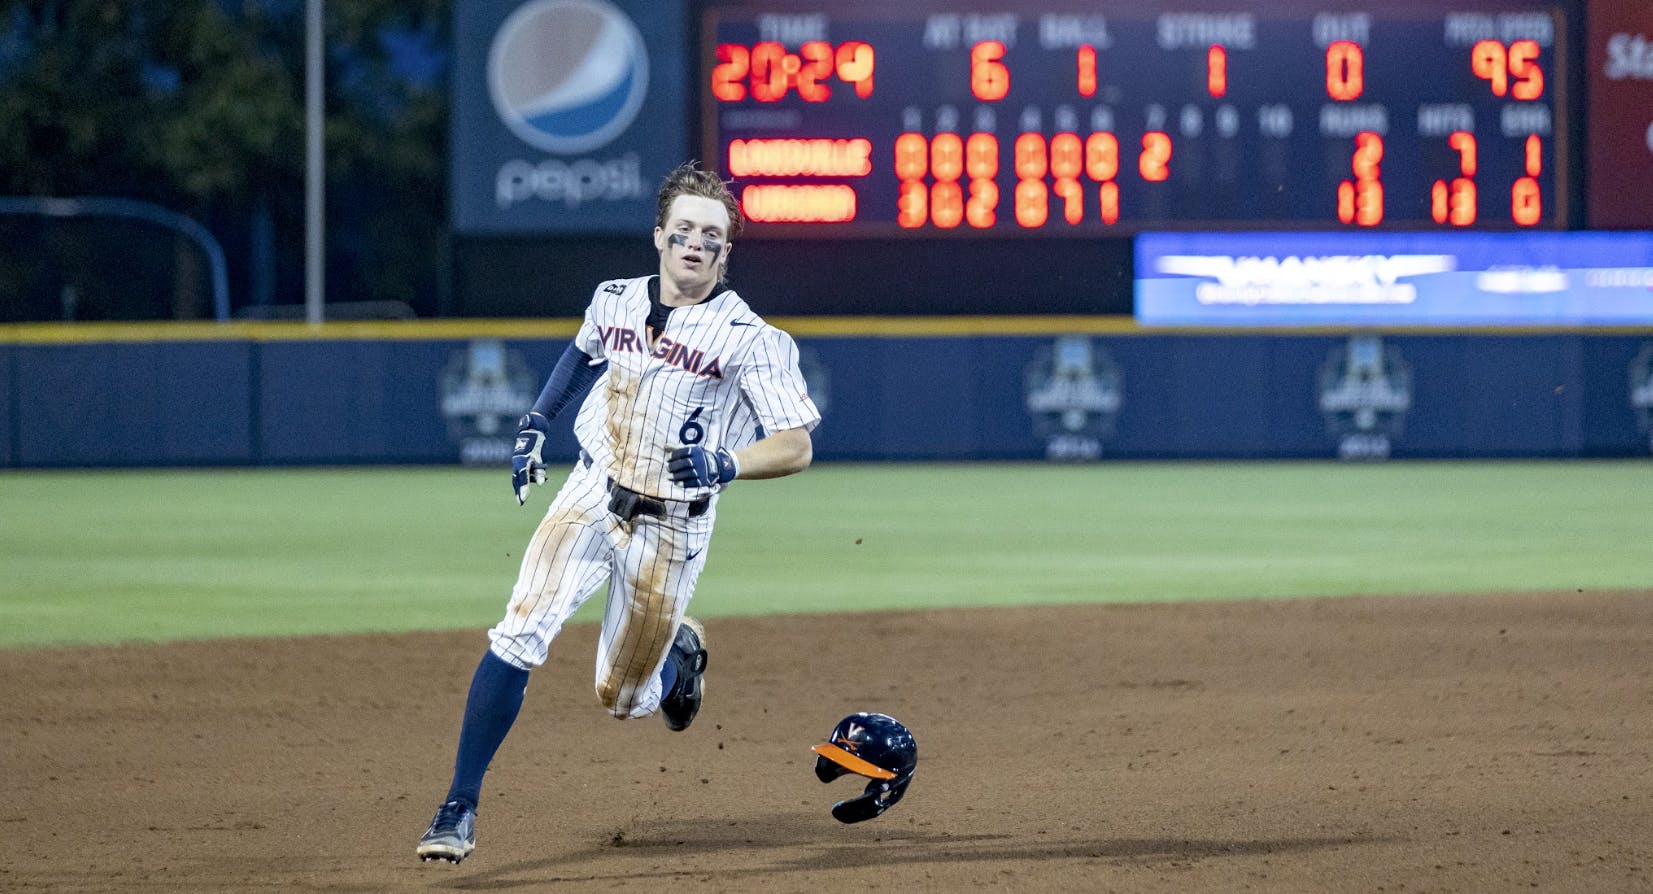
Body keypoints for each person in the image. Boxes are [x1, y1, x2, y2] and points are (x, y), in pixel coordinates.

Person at [417, 162, 820, 864]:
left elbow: (795, 445)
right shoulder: (613, 299)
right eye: (684, 230)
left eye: (711, 237)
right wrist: (537, 421)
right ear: (659, 236)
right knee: (520, 631)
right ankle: (458, 806)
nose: (695, 243)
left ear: (725, 254)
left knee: (624, 697)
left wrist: (730, 463)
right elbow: (580, 356)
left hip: (672, 524)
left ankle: (678, 662)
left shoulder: (752, 338)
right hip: (590, 490)